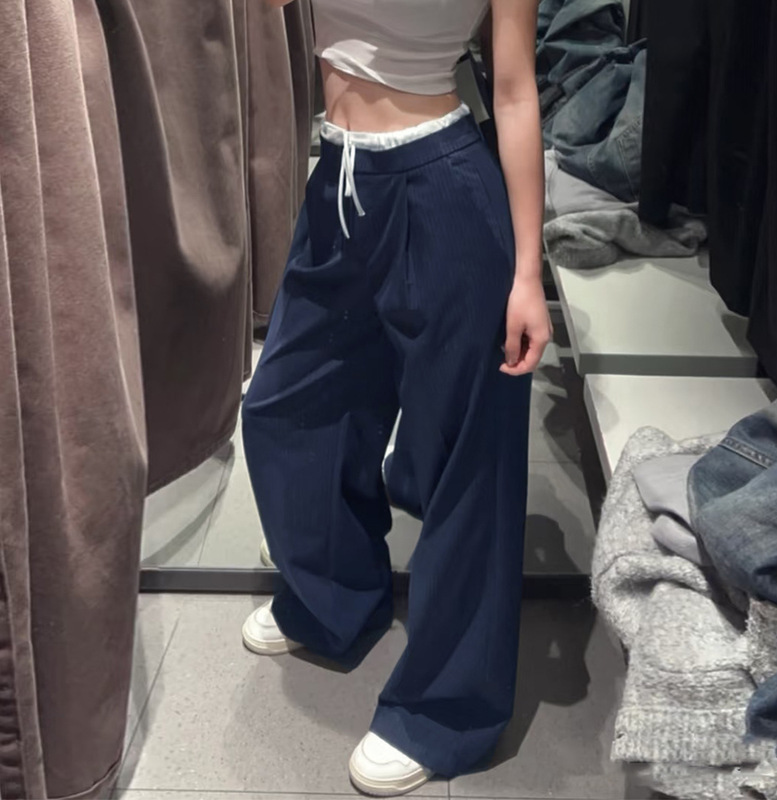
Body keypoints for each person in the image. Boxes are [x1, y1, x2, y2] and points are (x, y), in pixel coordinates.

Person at [242, 0, 549, 794]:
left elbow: (514, 88)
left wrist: (527, 272)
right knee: (288, 405)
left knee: (465, 452)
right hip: (340, 180)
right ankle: (334, 596)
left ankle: (445, 709)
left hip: (443, 183)